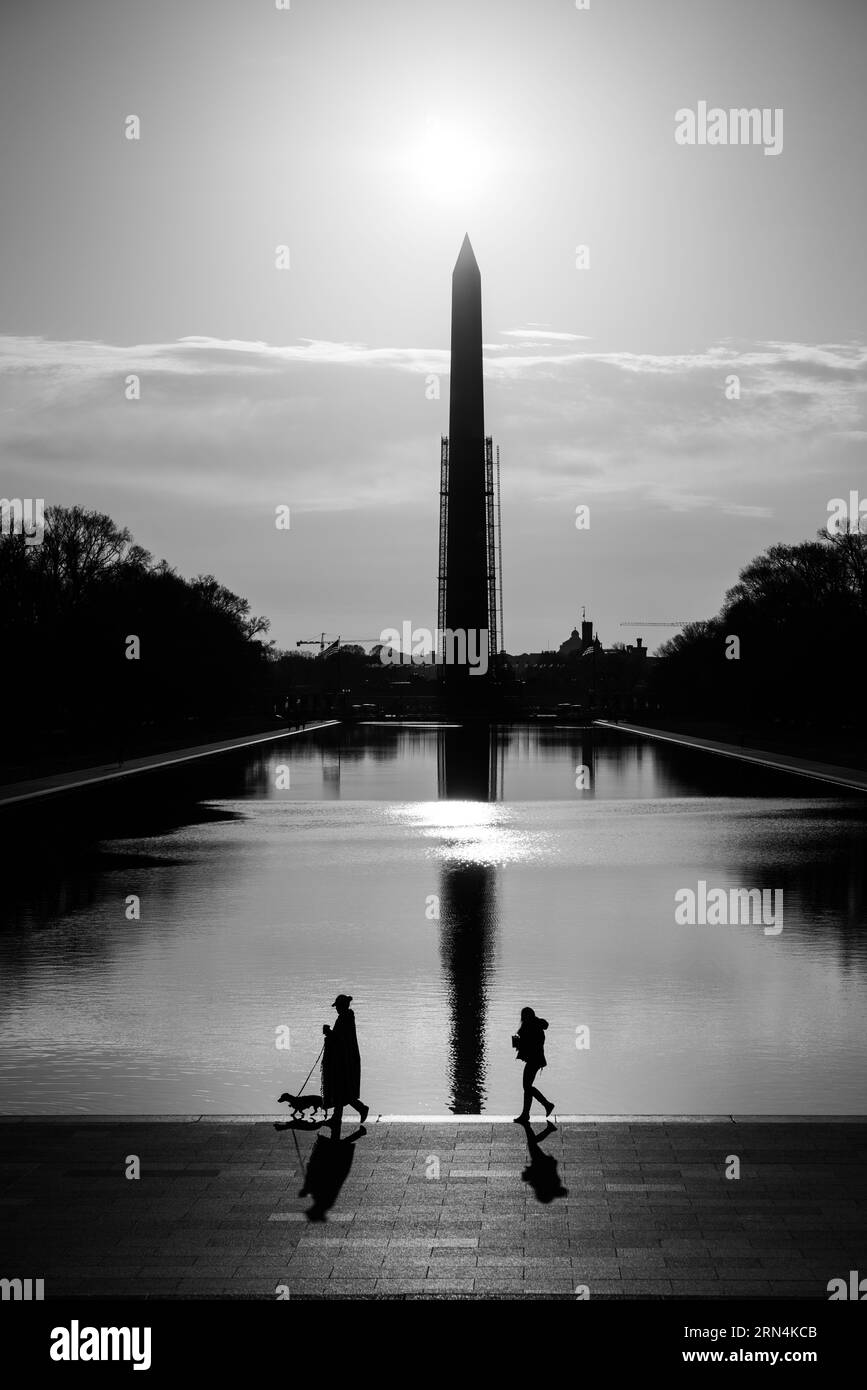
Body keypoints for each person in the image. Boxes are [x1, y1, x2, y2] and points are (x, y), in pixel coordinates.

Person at [321, 994, 369, 1130]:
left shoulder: (344, 1019)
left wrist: (328, 1032)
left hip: (345, 1060)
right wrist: (330, 1033)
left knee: (342, 1088)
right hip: (346, 1058)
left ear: (342, 1006)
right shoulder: (345, 1017)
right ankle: (337, 1117)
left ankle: (360, 1108)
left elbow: (340, 1039)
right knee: (341, 1088)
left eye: (337, 1007)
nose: (336, 1009)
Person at [511, 1006, 555, 1123]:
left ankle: (546, 1104)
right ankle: (526, 1114)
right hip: (536, 1060)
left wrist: (519, 1043)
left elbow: (530, 1044)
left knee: (527, 1086)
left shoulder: (531, 1026)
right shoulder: (536, 1025)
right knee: (527, 1087)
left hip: (534, 1060)